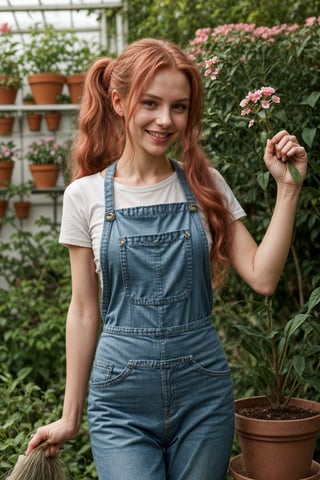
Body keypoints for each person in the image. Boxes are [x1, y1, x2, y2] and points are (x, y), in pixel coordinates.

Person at [26, 38, 308, 480]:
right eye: (150, 103)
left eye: (179, 107)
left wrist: (288, 188)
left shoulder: (204, 185)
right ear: (119, 102)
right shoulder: (84, 196)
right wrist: (70, 415)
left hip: (204, 394)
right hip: (120, 401)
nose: (165, 120)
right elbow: (83, 309)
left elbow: (263, 276)